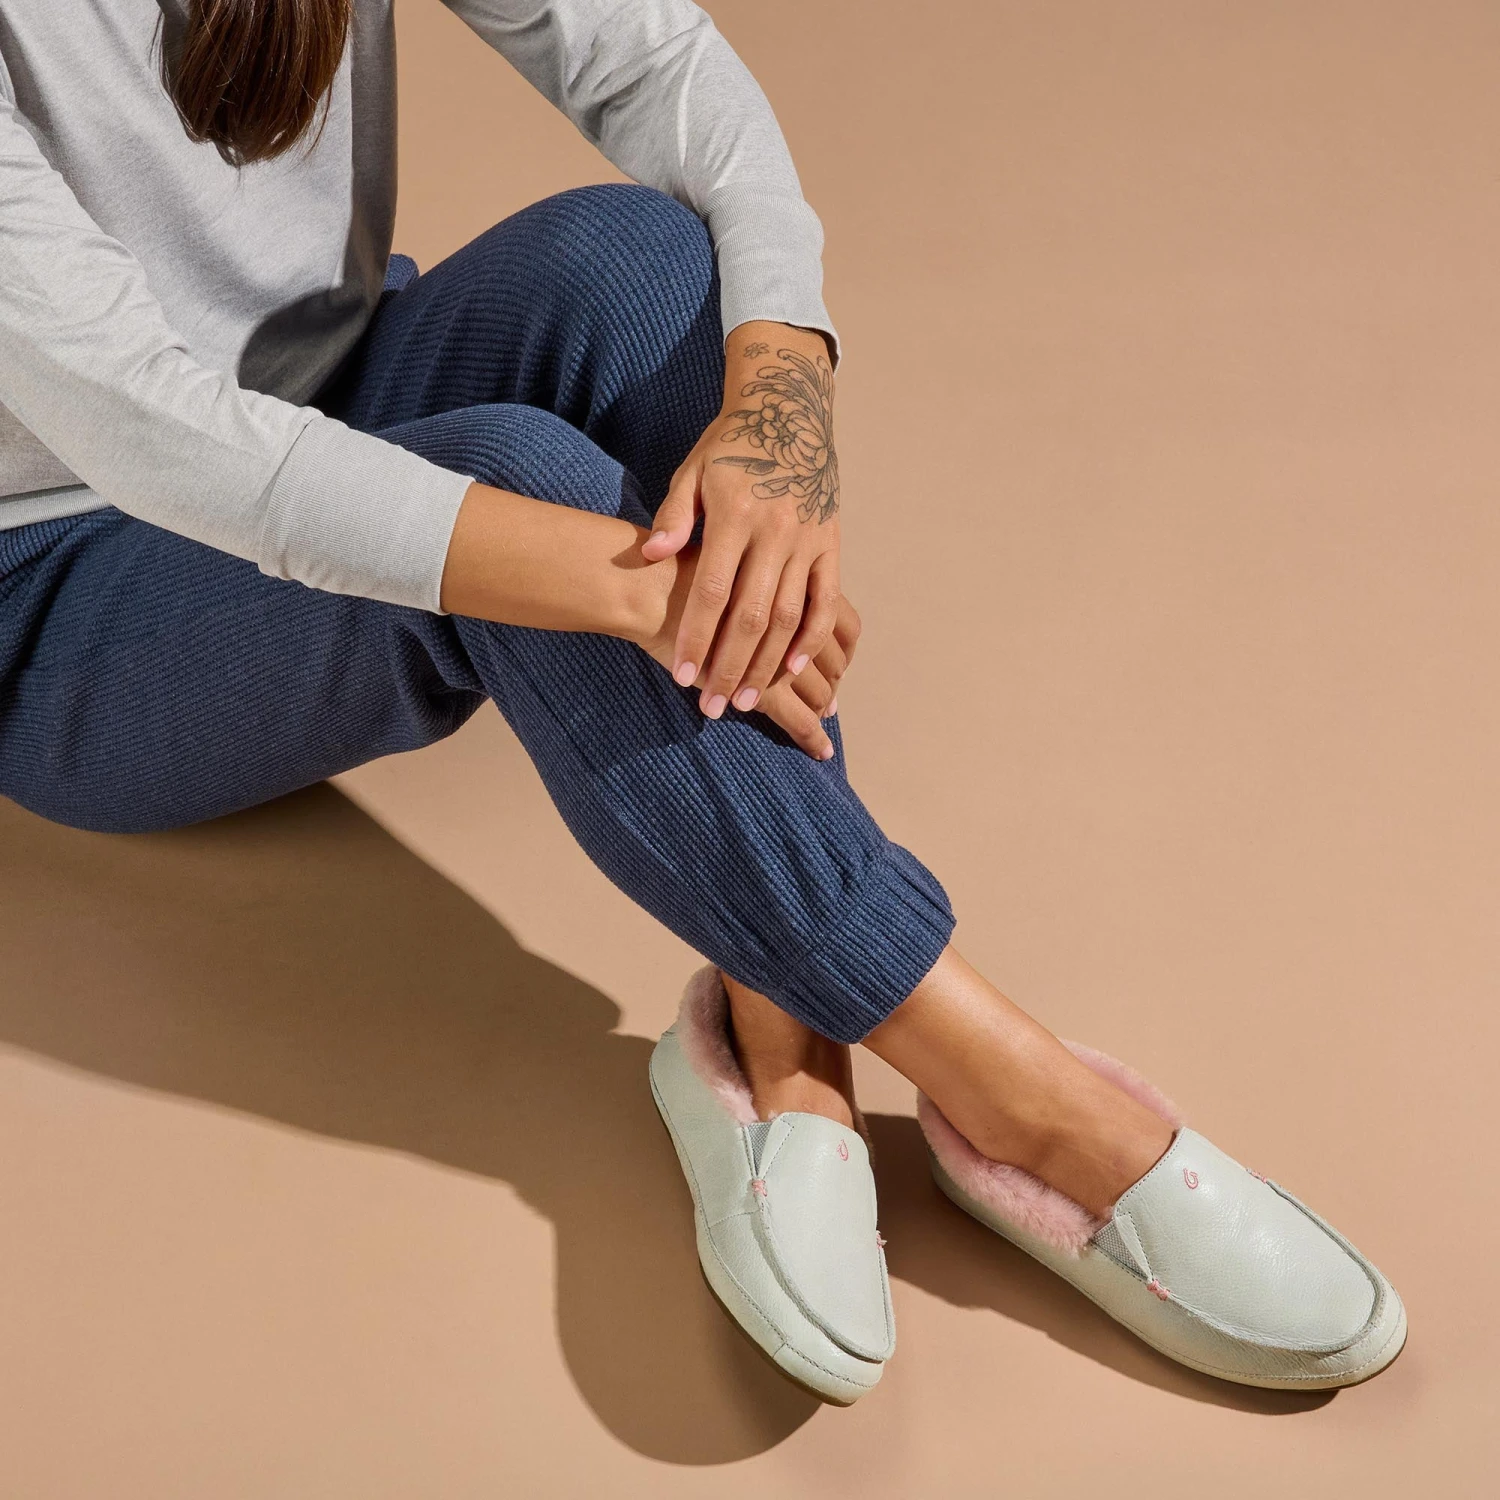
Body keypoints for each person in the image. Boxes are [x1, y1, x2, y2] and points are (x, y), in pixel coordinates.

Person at [0, 0, 1404, 1404]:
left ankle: (780, 1044)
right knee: (517, 479)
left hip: (340, 387)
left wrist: (786, 402)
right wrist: (641, 590)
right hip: (67, 581)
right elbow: (166, 437)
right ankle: (1026, 1100)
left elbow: (650, 54)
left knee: (657, 270)